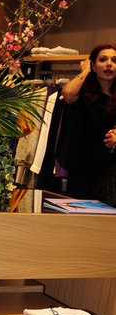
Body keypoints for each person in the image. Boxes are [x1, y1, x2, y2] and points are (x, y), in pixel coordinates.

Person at [61, 43, 116, 204]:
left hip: (111, 170)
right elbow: (68, 94)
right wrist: (85, 71)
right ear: (93, 64)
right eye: (103, 60)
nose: (109, 64)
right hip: (83, 168)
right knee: (81, 213)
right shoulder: (83, 92)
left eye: (114, 60)